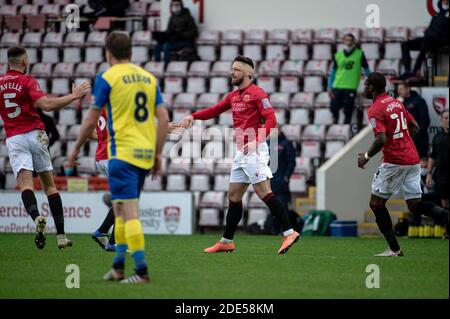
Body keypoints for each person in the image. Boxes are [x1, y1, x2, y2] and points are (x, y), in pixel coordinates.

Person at [67, 32, 169, 284]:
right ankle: (118, 268)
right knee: (121, 210)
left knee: (129, 212)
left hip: (122, 153)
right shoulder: (148, 77)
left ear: (108, 53)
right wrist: (157, 153)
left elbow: (91, 119)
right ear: (131, 52)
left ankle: (142, 272)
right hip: (144, 155)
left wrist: (76, 148)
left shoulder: (107, 77)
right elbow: (164, 120)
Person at [179, 55, 300, 255]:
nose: (232, 72)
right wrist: (192, 116)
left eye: (236, 69)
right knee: (234, 197)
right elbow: (214, 110)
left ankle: (289, 232)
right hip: (241, 153)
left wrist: (257, 140)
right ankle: (227, 241)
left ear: (247, 73)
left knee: (264, 193)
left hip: (255, 150)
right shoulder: (233, 96)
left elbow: (271, 121)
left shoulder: (258, 93)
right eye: (232, 68)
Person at [0, 46, 91, 249]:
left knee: (26, 185)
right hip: (36, 134)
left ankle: (36, 219)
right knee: (49, 186)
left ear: (9, 63)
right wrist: (74, 96)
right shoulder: (28, 81)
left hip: (15, 138)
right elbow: (47, 106)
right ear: (24, 62)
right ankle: (61, 237)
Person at [358, 72, 449, 257]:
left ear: (372, 87)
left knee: (376, 204)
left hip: (394, 162)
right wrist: (404, 143)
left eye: (366, 85)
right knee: (415, 205)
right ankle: (446, 216)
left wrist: (366, 156)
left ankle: (394, 249)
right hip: (412, 159)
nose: (364, 88)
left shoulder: (375, 109)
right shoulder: (396, 102)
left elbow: (381, 138)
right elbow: (414, 126)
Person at [328, 33, 371, 124]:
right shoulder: (338, 55)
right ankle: (335, 122)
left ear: (354, 42)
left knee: (348, 108)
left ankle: (346, 125)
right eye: (347, 40)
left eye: (351, 40)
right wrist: (329, 86)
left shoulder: (359, 54)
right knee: (333, 107)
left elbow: (366, 69)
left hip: (351, 86)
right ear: (343, 41)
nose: (349, 42)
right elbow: (333, 72)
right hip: (338, 85)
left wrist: (371, 81)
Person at [400, 0, 449, 80]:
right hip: (427, 39)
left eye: (446, 2)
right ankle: (407, 70)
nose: (445, 4)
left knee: (426, 42)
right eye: (443, 2)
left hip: (439, 42)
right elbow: (430, 29)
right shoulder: (436, 15)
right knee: (405, 44)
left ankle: (414, 71)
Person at [267, 125, 296, 234]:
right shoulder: (267, 143)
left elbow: (292, 162)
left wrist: (286, 176)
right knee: (272, 208)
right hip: (270, 182)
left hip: (282, 183)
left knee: (283, 207)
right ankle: (274, 231)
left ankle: (286, 231)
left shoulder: (286, 143)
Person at [152, 0, 198, 65]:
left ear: (181, 6)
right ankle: (157, 66)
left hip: (185, 42)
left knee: (166, 46)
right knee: (157, 46)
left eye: (177, 5)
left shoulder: (188, 17)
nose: (175, 7)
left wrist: (181, 34)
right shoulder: (172, 18)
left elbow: (194, 32)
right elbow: (168, 31)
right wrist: (161, 35)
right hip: (174, 41)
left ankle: (166, 66)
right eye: (173, 5)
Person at [397, 82, 430, 160]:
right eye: (398, 89)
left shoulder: (418, 100)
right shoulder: (402, 103)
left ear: (408, 89)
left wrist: (418, 135)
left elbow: (425, 120)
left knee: (421, 166)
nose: (399, 91)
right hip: (407, 141)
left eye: (401, 89)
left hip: (420, 141)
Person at [426, 110, 449, 212]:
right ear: (441, 120)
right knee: (444, 202)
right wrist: (429, 173)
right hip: (442, 176)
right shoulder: (437, 137)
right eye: (446, 118)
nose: (448, 120)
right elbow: (433, 156)